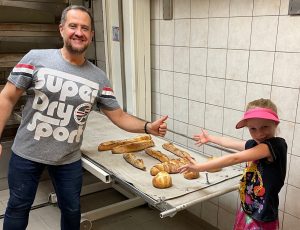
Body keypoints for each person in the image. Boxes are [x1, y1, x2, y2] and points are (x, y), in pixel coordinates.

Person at [0, 5, 168, 230]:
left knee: (72, 210)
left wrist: (148, 127)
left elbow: (118, 116)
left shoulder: (98, 78)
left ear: (91, 35)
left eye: (84, 28)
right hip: (26, 154)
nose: (79, 32)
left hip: (68, 158)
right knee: (18, 208)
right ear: (61, 29)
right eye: (73, 26)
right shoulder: (35, 58)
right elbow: (7, 98)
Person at [179, 98, 287, 230]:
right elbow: (231, 143)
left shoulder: (275, 146)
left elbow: (235, 158)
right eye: (253, 129)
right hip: (249, 208)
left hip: (263, 216)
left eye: (265, 127)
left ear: (275, 124)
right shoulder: (255, 144)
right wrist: (210, 138)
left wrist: (199, 167)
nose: (259, 133)